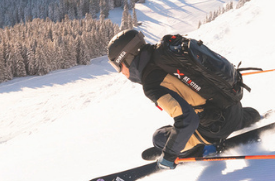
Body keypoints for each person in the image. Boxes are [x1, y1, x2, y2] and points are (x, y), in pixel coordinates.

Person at [107, 28, 261, 170]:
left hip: (214, 129)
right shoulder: (165, 54)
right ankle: (249, 117)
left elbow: (188, 120)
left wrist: (169, 155)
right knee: (244, 114)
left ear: (128, 58)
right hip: (234, 109)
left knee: (159, 137)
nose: (120, 72)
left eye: (118, 66)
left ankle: (203, 148)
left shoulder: (151, 82)